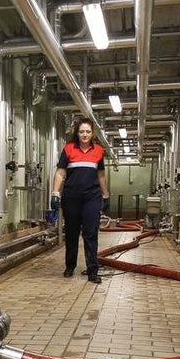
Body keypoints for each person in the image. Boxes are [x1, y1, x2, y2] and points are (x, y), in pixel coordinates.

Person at [50, 117, 110, 284]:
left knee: (91, 234)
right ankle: (70, 266)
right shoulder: (68, 149)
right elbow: (61, 173)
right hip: (71, 198)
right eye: (82, 131)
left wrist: (106, 195)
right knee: (71, 233)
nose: (85, 134)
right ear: (77, 132)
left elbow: (101, 175)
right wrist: (55, 193)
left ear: (92, 133)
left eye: (88, 132)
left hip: (92, 198)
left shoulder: (98, 151)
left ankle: (92, 270)